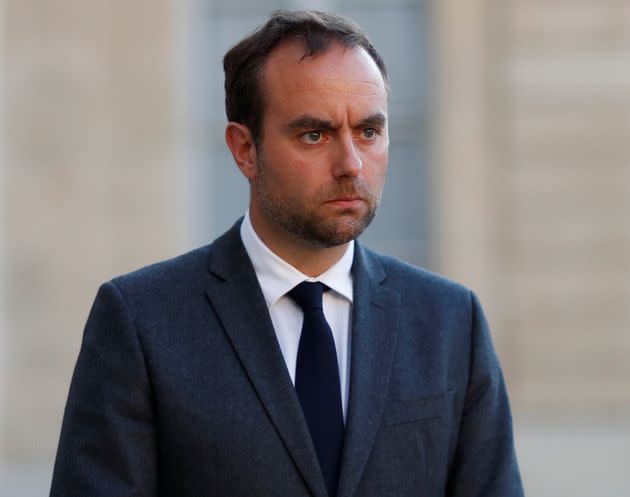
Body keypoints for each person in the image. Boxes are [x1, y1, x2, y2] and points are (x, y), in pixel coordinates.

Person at [50, 9, 524, 497]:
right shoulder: (141, 321)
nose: (351, 164)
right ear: (244, 149)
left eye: (368, 131)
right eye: (314, 135)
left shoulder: (450, 320)